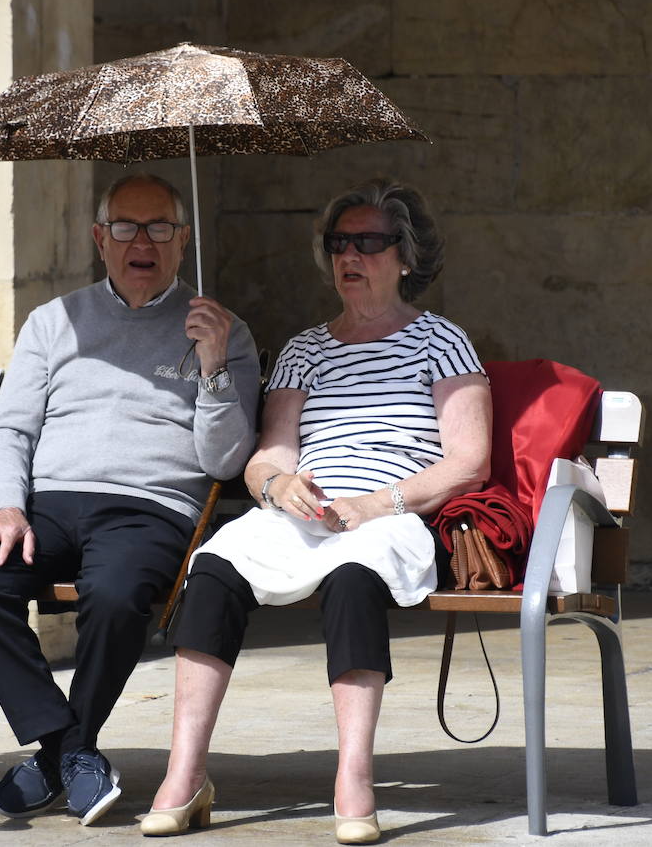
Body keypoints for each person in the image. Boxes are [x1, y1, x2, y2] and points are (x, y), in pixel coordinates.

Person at [142, 180, 492, 845]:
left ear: (406, 258)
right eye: (339, 244)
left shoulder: (441, 341)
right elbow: (266, 456)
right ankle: (184, 775)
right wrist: (278, 489)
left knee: (353, 578)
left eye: (368, 243)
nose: (349, 256)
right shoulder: (306, 349)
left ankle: (353, 778)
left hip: (390, 515)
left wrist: (375, 503)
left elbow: (467, 461)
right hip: (303, 516)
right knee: (214, 565)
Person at [0, 174, 261, 826]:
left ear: (183, 240)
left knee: (117, 594)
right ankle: (70, 748)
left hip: (151, 507)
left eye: (158, 228)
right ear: (99, 238)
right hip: (48, 503)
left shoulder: (224, 330)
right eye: (124, 226)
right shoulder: (53, 322)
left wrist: (212, 367)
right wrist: (5, 506)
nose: (140, 242)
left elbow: (226, 461)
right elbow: (9, 428)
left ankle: (58, 757)